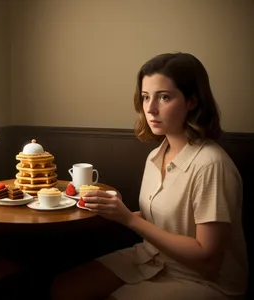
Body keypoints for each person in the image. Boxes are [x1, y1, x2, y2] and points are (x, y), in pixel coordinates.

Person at [51, 53, 248, 300]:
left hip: (202, 278)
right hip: (152, 258)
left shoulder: (210, 164)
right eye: (146, 97)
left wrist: (129, 220)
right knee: (64, 287)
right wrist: (113, 211)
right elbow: (162, 218)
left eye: (164, 97)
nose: (150, 109)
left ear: (192, 101)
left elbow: (207, 259)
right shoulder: (156, 155)